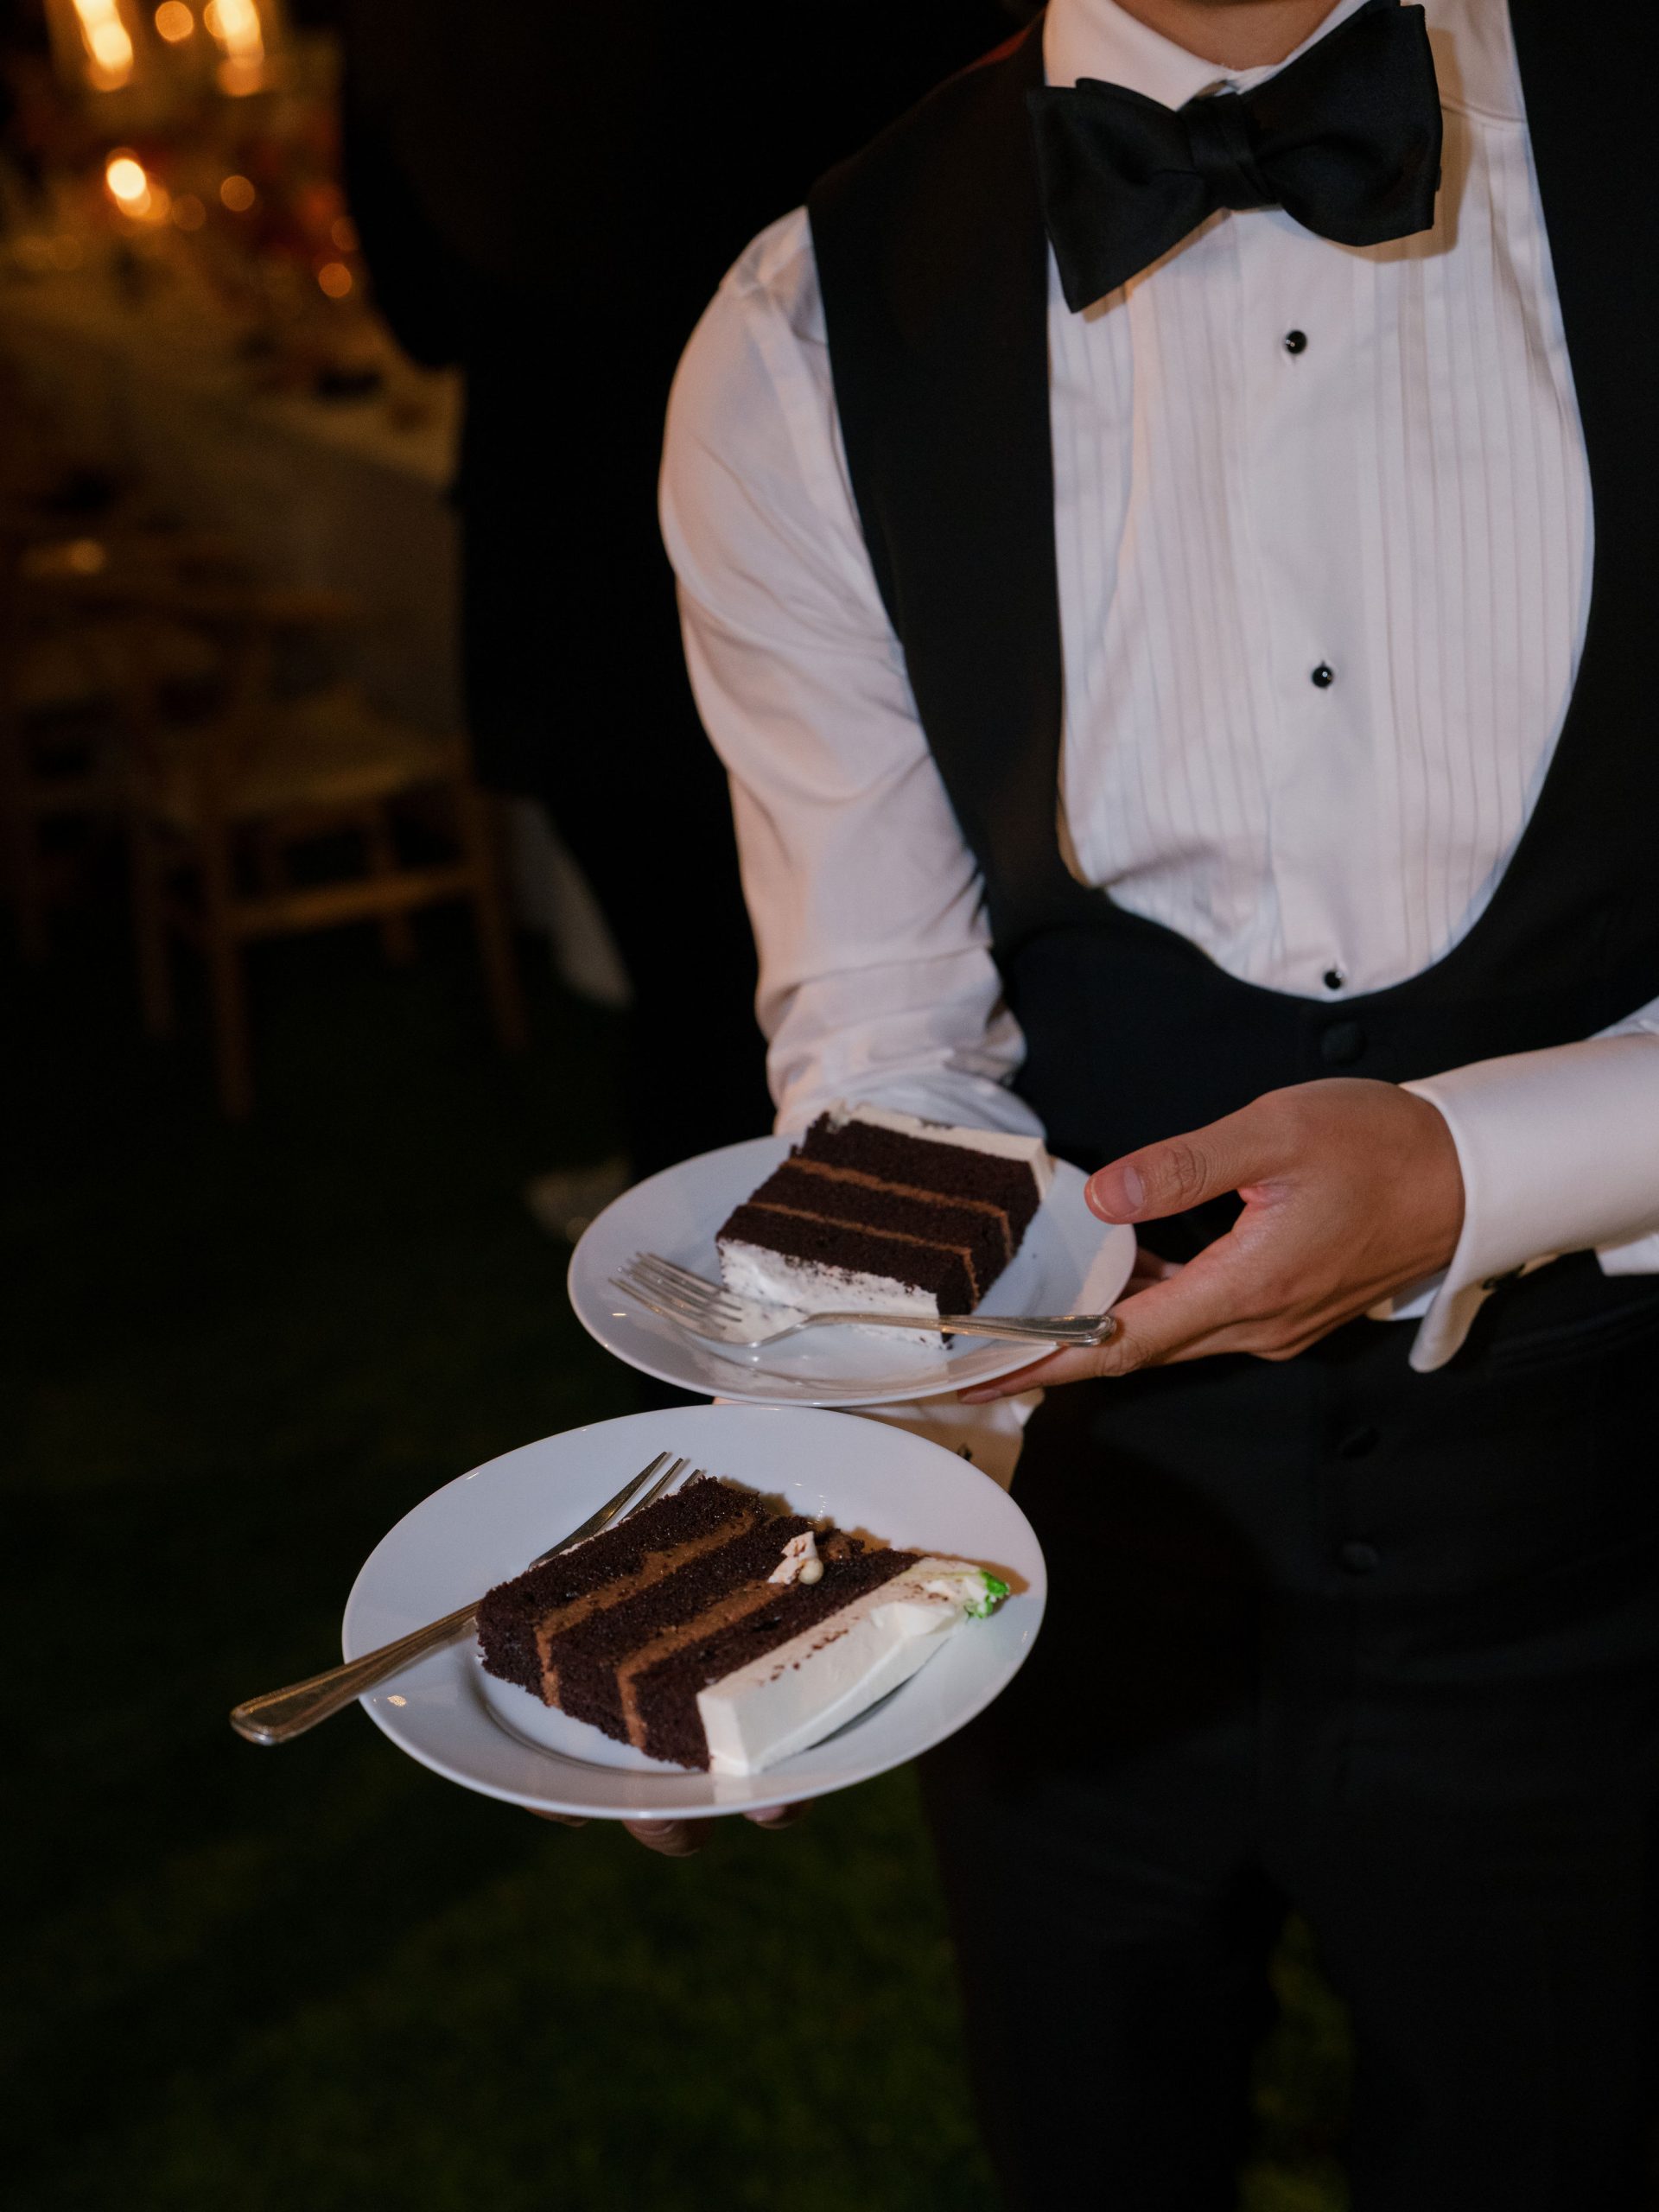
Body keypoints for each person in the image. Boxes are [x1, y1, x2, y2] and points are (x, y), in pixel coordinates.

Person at [658, 0, 1659, 2202]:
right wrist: (811, 1515)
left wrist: (1483, 1168)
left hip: (1608, 1544)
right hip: (1074, 1572)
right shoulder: (805, 329)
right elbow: (883, 1052)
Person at [339, 0, 1019, 1175]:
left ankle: (719, 1236)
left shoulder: (430, 30)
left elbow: (420, 315)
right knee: (854, 979)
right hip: (826, 523)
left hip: (572, 552)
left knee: (697, 992)